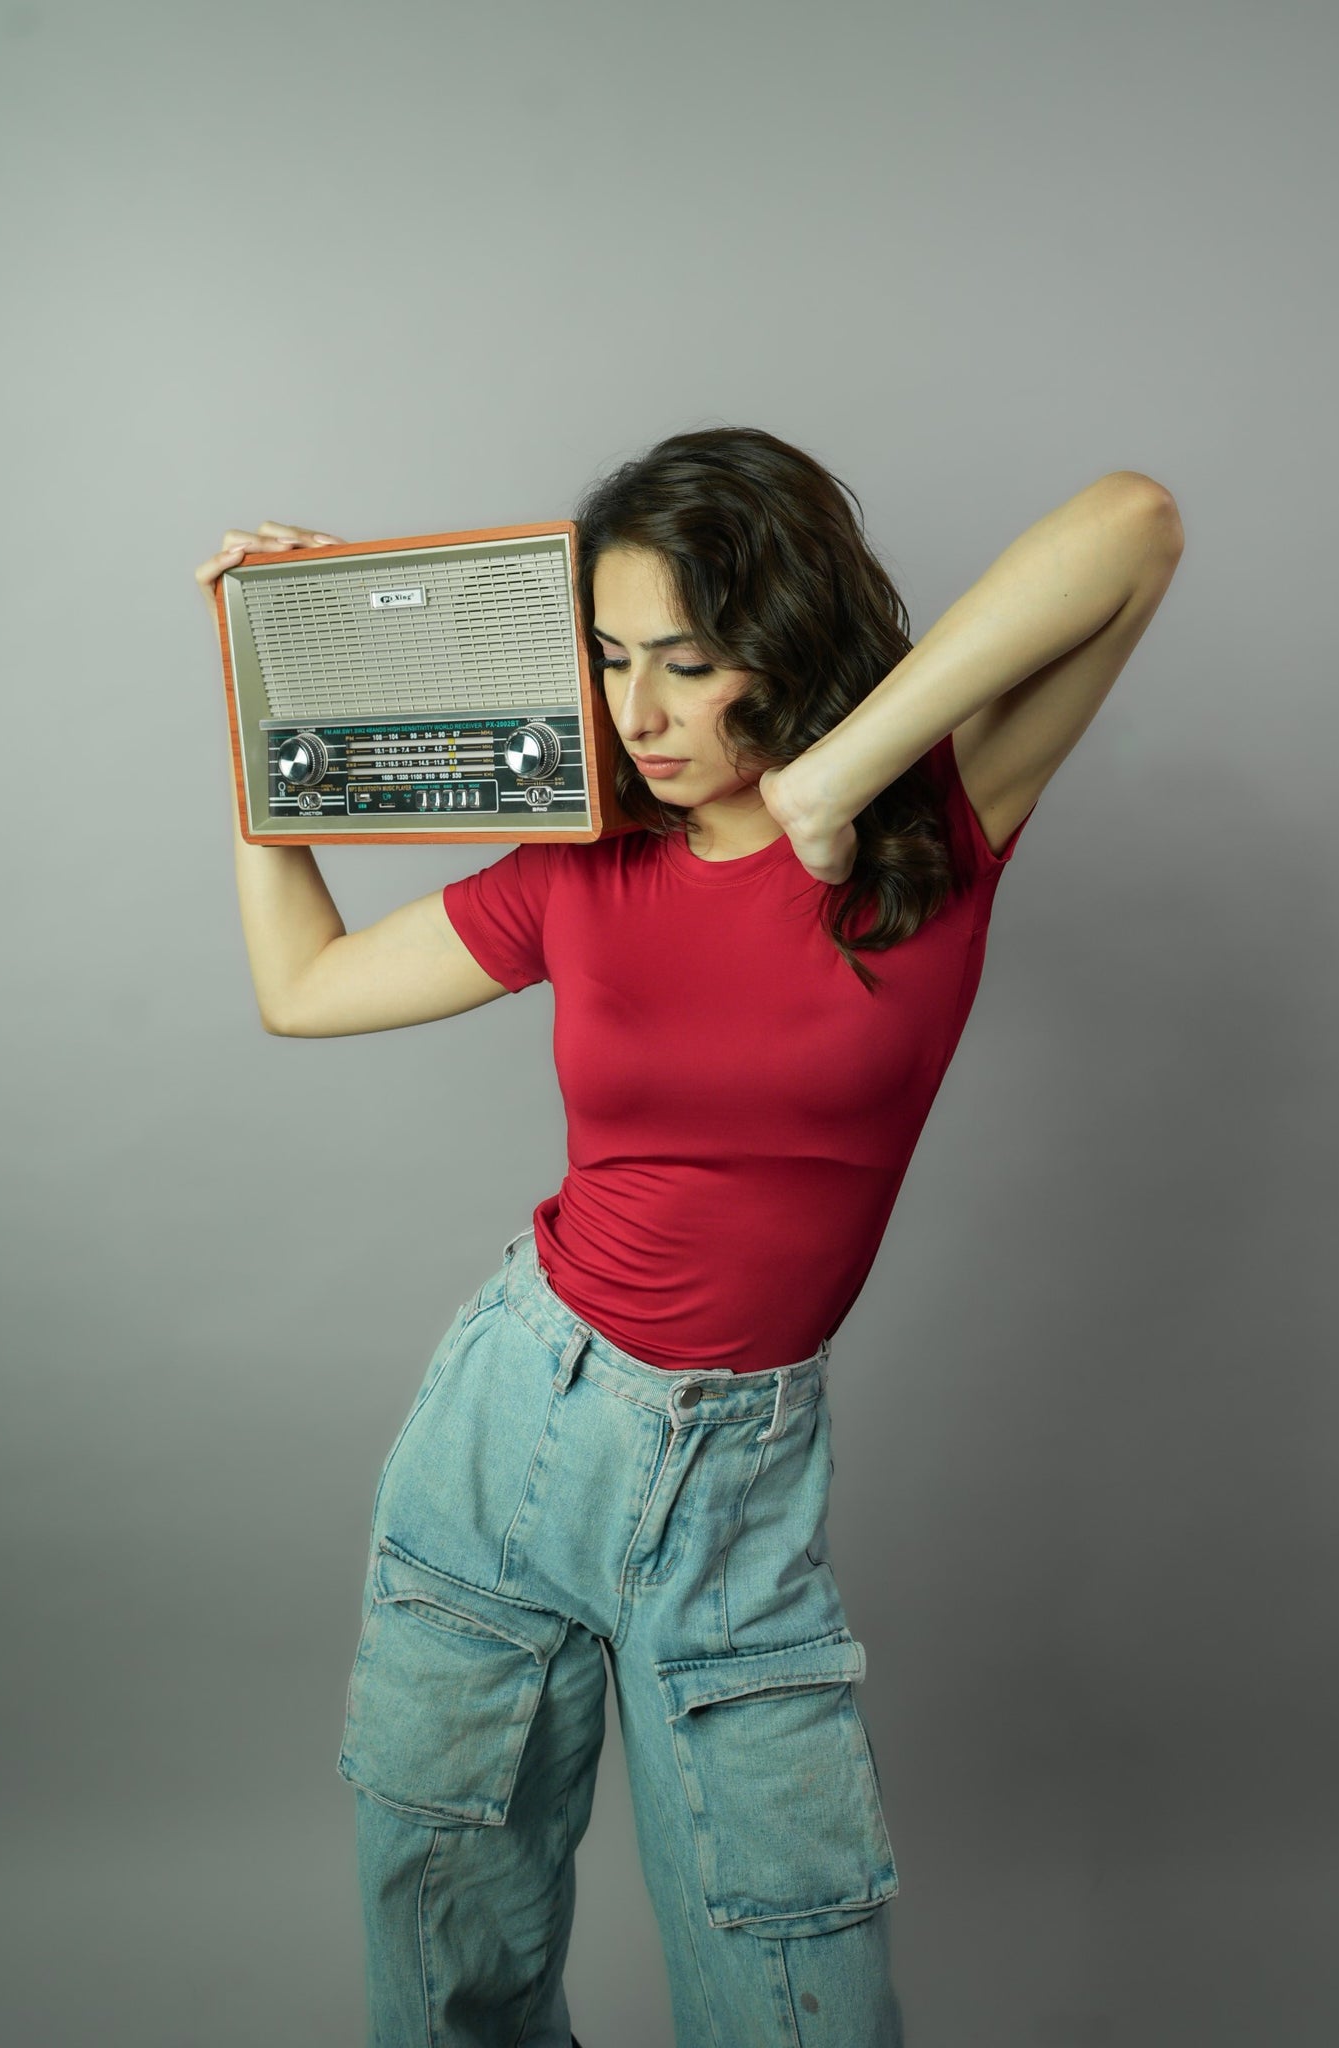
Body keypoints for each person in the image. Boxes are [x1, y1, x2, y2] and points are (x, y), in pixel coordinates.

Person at [196, 428, 1183, 2047]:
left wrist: (834, 778)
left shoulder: (932, 834)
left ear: (781, 650)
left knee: (793, 1975)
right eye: (606, 657)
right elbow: (301, 990)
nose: (637, 713)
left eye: (689, 660)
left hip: (731, 1480)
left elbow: (1132, 528)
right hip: (510, 1424)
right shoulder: (579, 869)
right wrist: (267, 700)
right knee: (454, 1955)